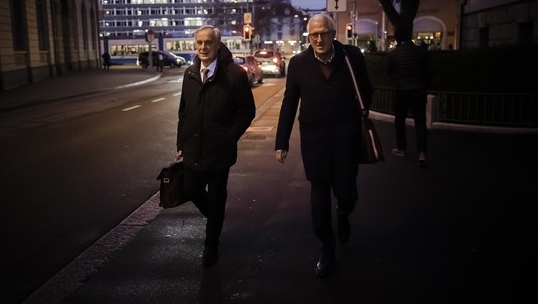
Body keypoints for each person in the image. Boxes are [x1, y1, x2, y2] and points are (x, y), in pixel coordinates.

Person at [275, 14, 373, 278]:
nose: (319, 39)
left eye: (324, 33)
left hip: (346, 138)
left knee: (348, 193)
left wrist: (353, 118)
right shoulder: (298, 63)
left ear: (333, 34)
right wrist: (281, 142)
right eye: (314, 35)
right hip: (314, 140)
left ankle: (343, 213)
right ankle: (326, 248)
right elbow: (289, 103)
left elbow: (366, 90)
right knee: (319, 198)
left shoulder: (352, 57)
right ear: (309, 37)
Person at [176, 25, 255, 267]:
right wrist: (180, 142)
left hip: (220, 151)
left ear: (218, 45)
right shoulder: (190, 73)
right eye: (199, 42)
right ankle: (215, 218)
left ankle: (211, 244)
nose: (203, 47)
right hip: (192, 148)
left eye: (208, 42)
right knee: (190, 189)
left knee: (217, 196)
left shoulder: (234, 75)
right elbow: (184, 112)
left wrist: (229, 136)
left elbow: (247, 111)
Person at [387, 28, 429, 167]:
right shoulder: (420, 52)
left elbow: (390, 73)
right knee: (420, 122)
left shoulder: (394, 54)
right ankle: (422, 153)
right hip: (418, 90)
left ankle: (401, 148)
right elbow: (427, 70)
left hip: (402, 91)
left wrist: (398, 80)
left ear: (398, 39)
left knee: (399, 120)